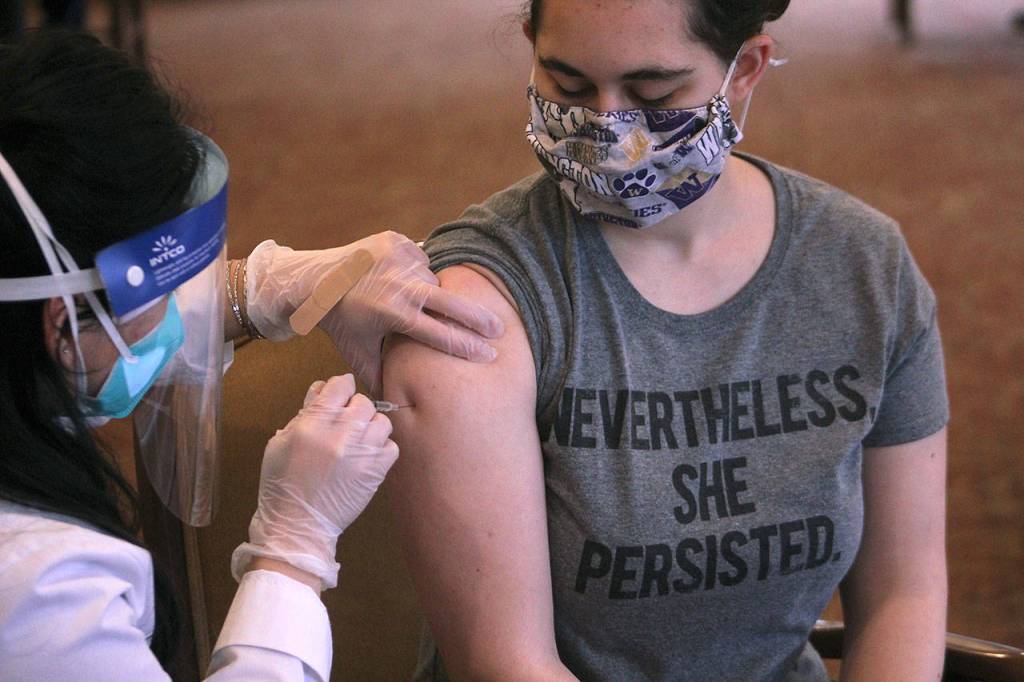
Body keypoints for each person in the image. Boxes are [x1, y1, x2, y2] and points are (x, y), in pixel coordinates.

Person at [382, 1, 949, 680]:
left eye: (653, 95)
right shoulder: (478, 304)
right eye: (568, 86)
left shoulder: (863, 269)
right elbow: (505, 664)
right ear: (532, 45)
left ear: (745, 68)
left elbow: (901, 595)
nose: (606, 125)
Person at [0, 31, 502, 680]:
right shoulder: (38, 593)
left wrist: (257, 288)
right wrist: (292, 550)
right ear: (60, 328)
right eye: (163, 288)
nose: (180, 306)